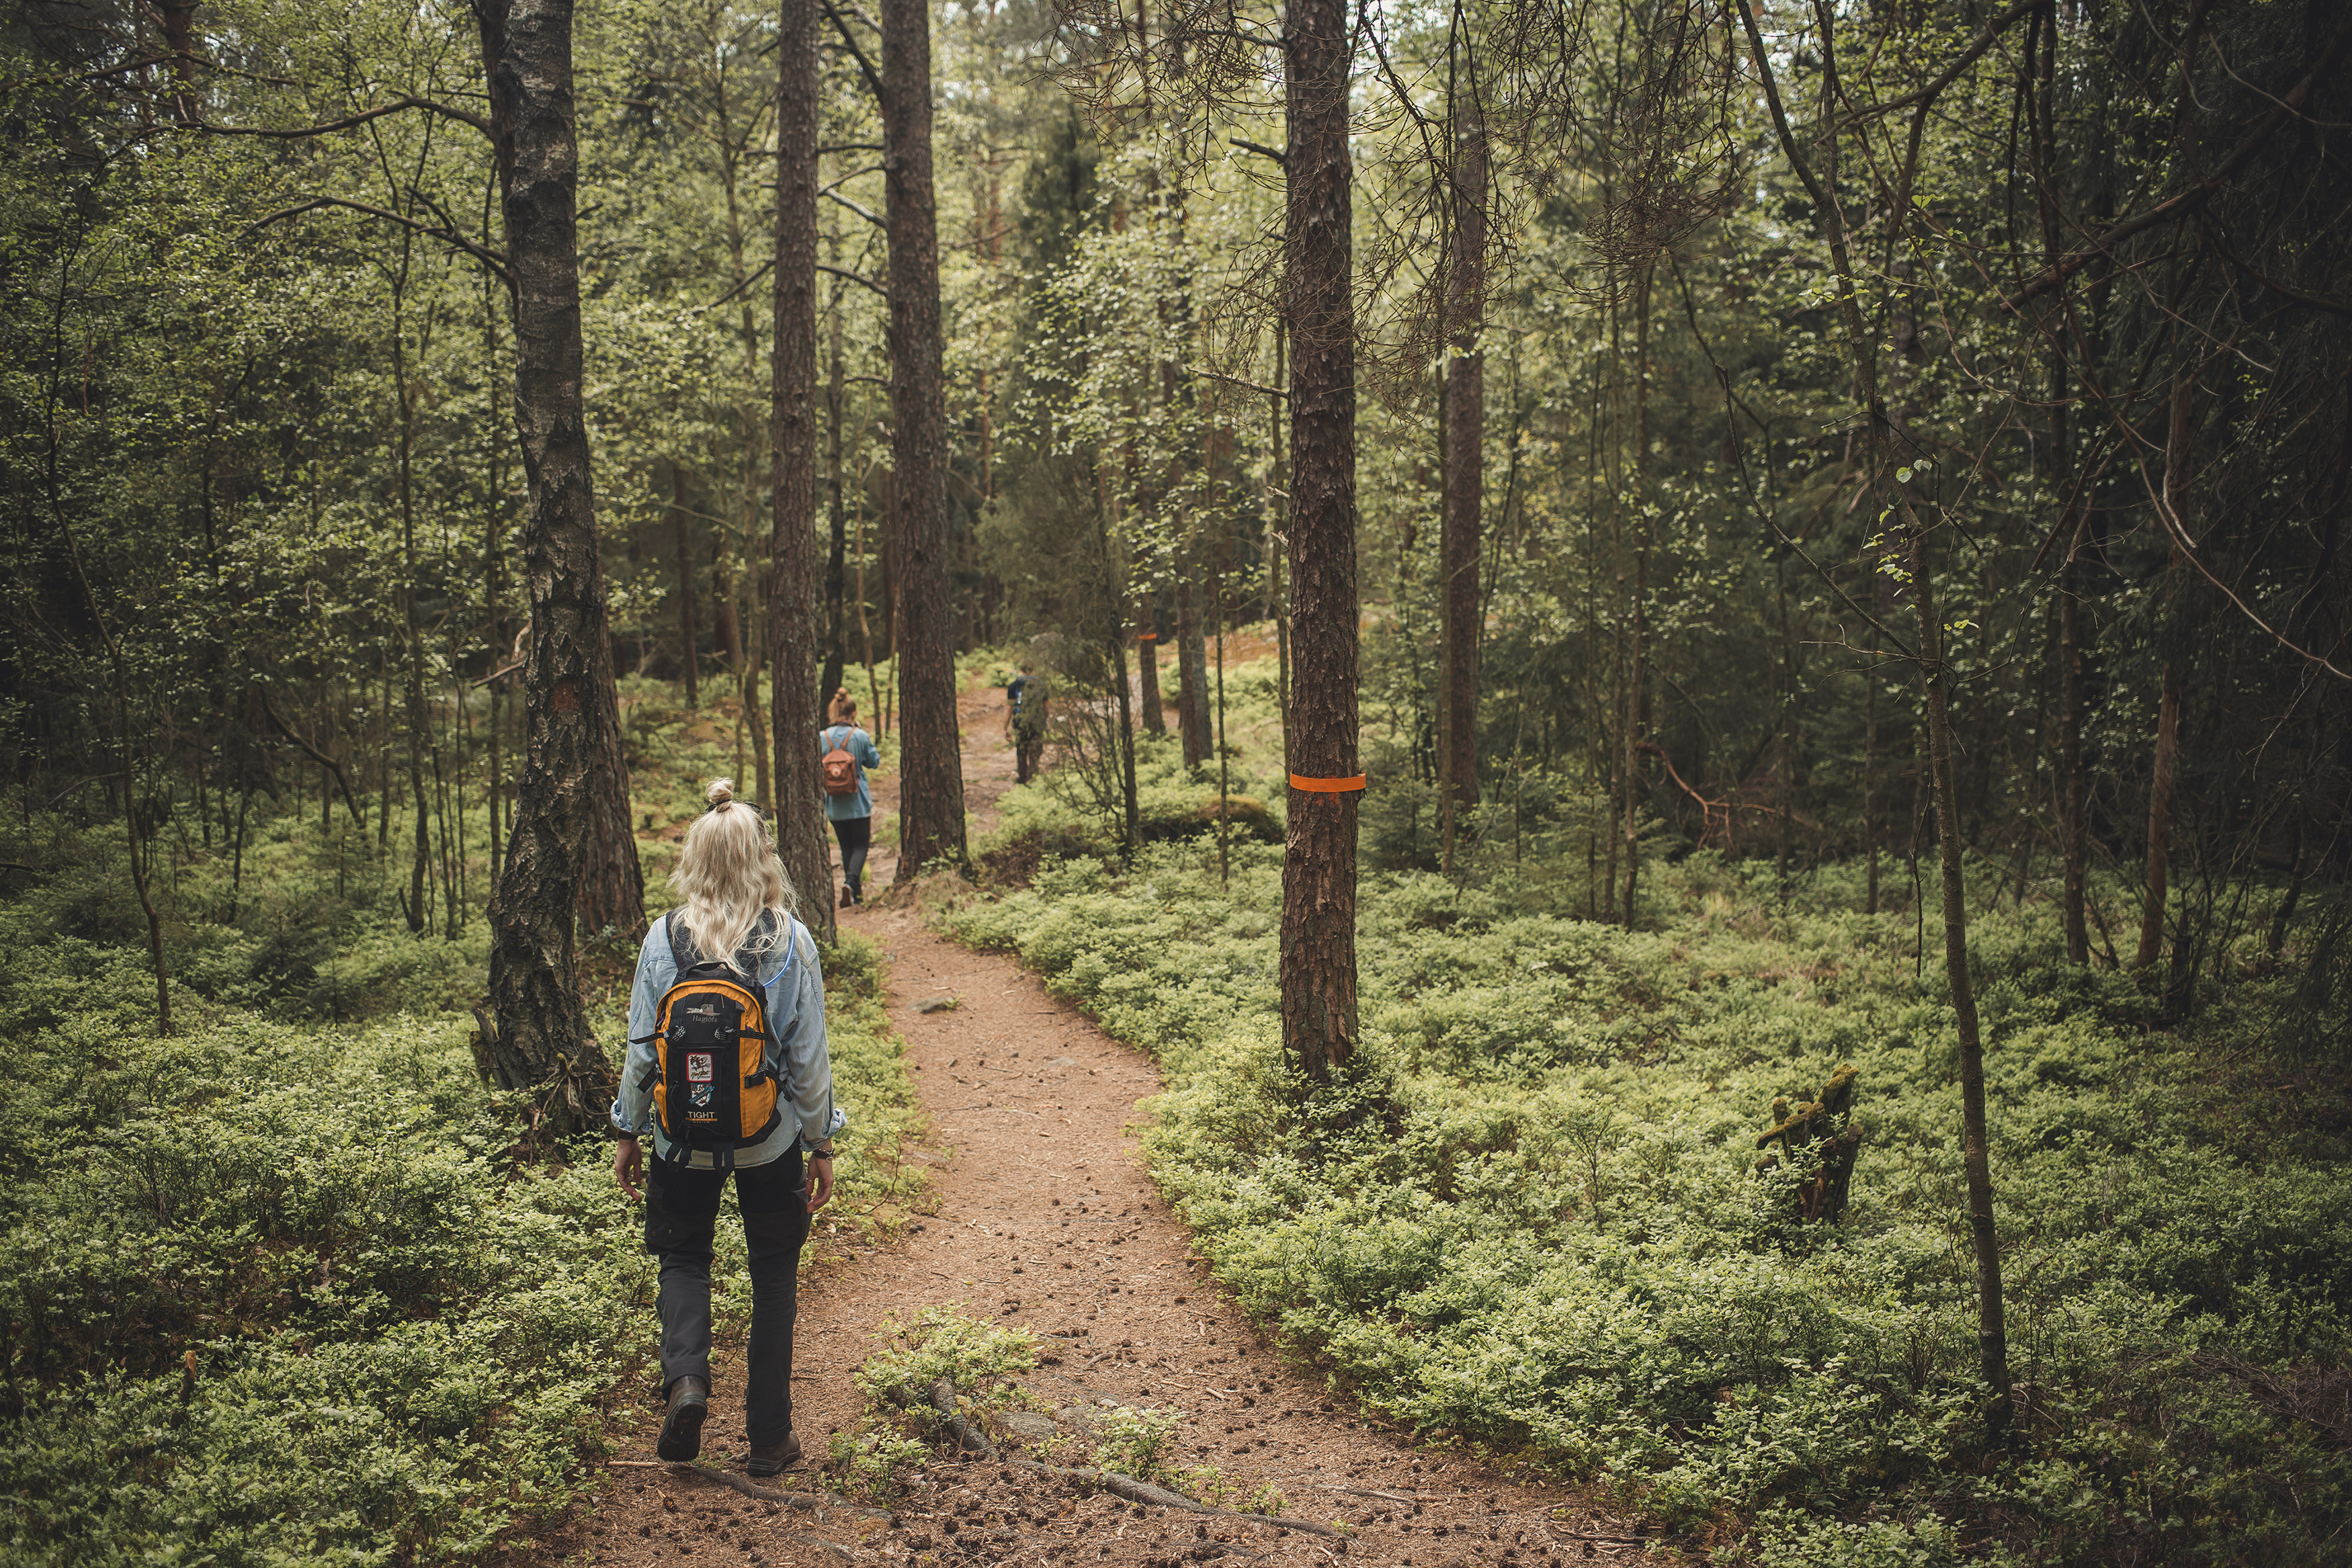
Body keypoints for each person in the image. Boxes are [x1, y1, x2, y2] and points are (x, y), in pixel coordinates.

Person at [611, 779, 841, 1476]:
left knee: (684, 1260)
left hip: (680, 1140)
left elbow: (642, 1047)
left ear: (697, 858)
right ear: (760, 858)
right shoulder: (788, 939)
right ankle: (769, 1439)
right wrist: (820, 1140)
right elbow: (807, 1056)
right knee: (772, 1275)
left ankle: (686, 1383)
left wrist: (628, 1130)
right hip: (766, 1140)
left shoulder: (664, 936)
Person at [819, 691, 884, 906]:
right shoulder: (860, 736)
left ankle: (856, 893)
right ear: (853, 712)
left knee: (846, 846)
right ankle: (851, 882)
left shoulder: (822, 737)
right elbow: (874, 762)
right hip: (858, 801)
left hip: (834, 803)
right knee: (861, 844)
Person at [1005, 662, 1048, 785]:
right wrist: (1044, 720)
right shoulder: (1041, 685)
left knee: (1022, 750)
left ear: (1021, 670)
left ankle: (1022, 777)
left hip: (1020, 722)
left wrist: (1005, 727)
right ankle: (1033, 775)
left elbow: (1010, 708)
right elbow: (1046, 707)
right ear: (1033, 669)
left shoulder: (1014, 685)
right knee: (1035, 749)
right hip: (1037, 722)